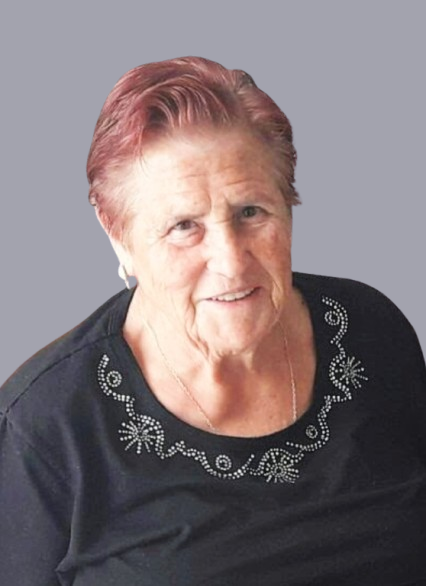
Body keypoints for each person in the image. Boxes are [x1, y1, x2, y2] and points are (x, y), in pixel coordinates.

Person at [1, 56, 425, 586]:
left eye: (251, 212)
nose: (231, 262)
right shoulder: (45, 425)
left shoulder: (369, 330)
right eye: (184, 225)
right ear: (116, 233)